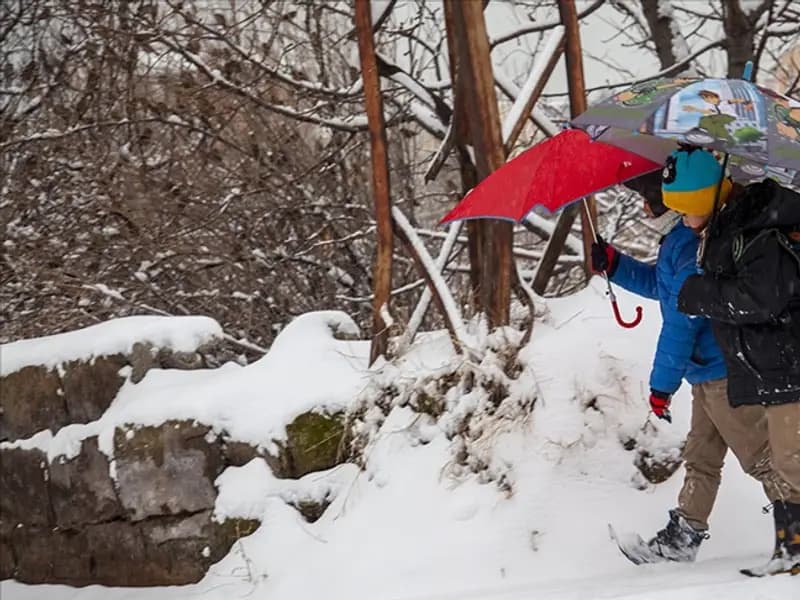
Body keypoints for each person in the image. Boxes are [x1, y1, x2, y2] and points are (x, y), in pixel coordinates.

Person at [591, 165, 788, 564]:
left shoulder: (690, 245)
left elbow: (680, 325)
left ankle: (794, 533)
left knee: (761, 457)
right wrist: (615, 264)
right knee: (701, 457)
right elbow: (662, 288)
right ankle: (682, 538)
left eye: (646, 203)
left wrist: (661, 387)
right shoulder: (677, 241)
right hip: (706, 374)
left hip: (722, 373)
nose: (643, 212)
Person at [662, 146, 800, 575]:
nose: (683, 220)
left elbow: (761, 299)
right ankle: (790, 550)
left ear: (705, 199)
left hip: (787, 359)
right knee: (784, 459)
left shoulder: (756, 231)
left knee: (791, 459)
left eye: (686, 210)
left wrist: (700, 293)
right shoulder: (727, 231)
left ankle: (793, 551)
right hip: (766, 365)